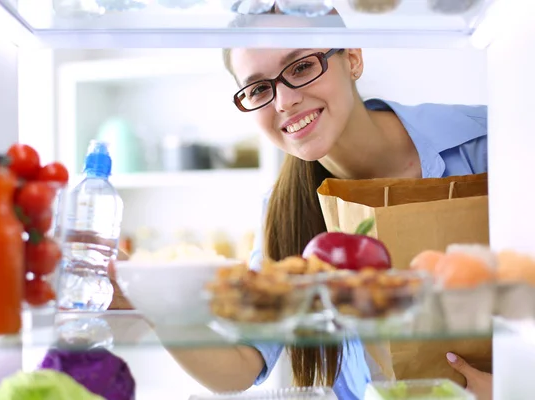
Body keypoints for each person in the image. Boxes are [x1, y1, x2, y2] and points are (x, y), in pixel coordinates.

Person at [110, 47, 492, 400]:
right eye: (259, 88)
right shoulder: (284, 208)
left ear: (354, 59)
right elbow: (243, 363)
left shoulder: (490, 142)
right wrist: (153, 303)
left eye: (302, 66)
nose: (285, 100)